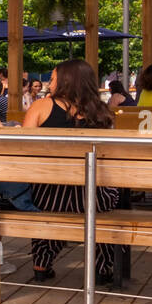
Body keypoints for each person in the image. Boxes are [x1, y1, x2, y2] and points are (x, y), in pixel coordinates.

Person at [24, 59, 119, 281]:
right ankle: (102, 267)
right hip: (92, 199)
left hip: (48, 195)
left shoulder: (41, 107)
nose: (49, 82)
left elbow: (23, 150)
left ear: (66, 81)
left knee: (49, 202)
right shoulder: (104, 114)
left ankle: (41, 263)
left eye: (54, 78)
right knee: (112, 197)